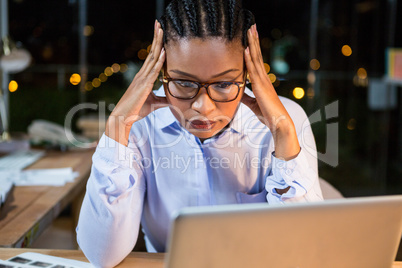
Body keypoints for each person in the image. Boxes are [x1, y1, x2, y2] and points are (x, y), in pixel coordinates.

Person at [76, 0, 323, 267]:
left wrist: (283, 134)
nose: (202, 106)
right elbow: (102, 255)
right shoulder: (138, 126)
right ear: (161, 73)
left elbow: (306, 253)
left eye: (225, 83)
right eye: (183, 82)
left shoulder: (286, 120)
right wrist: (117, 128)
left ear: (248, 73)